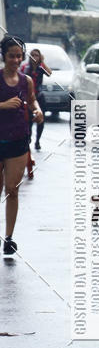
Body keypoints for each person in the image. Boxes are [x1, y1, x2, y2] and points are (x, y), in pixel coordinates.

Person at [0, 35, 43, 255]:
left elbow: (33, 99)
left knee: (12, 191)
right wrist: (3, 105)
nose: (16, 60)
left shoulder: (26, 81)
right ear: (3, 56)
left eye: (19, 56)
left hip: (18, 140)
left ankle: (8, 238)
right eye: (11, 56)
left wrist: (37, 110)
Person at [21, 47, 51, 150]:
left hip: (39, 96)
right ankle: (28, 139)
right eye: (32, 55)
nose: (34, 57)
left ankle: (37, 141)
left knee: (41, 120)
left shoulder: (40, 68)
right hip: (28, 97)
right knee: (28, 120)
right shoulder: (25, 68)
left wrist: (42, 62)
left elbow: (49, 73)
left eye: (37, 55)